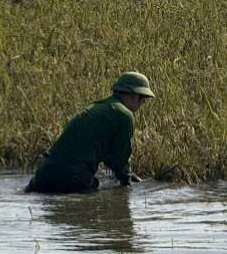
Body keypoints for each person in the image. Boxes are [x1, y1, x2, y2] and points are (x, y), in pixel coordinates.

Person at [26, 71, 155, 194]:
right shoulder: (124, 115)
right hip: (72, 177)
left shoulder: (97, 107)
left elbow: (109, 154)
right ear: (134, 96)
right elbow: (121, 155)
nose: (142, 104)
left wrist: (126, 173)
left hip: (43, 174)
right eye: (143, 100)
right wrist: (127, 181)